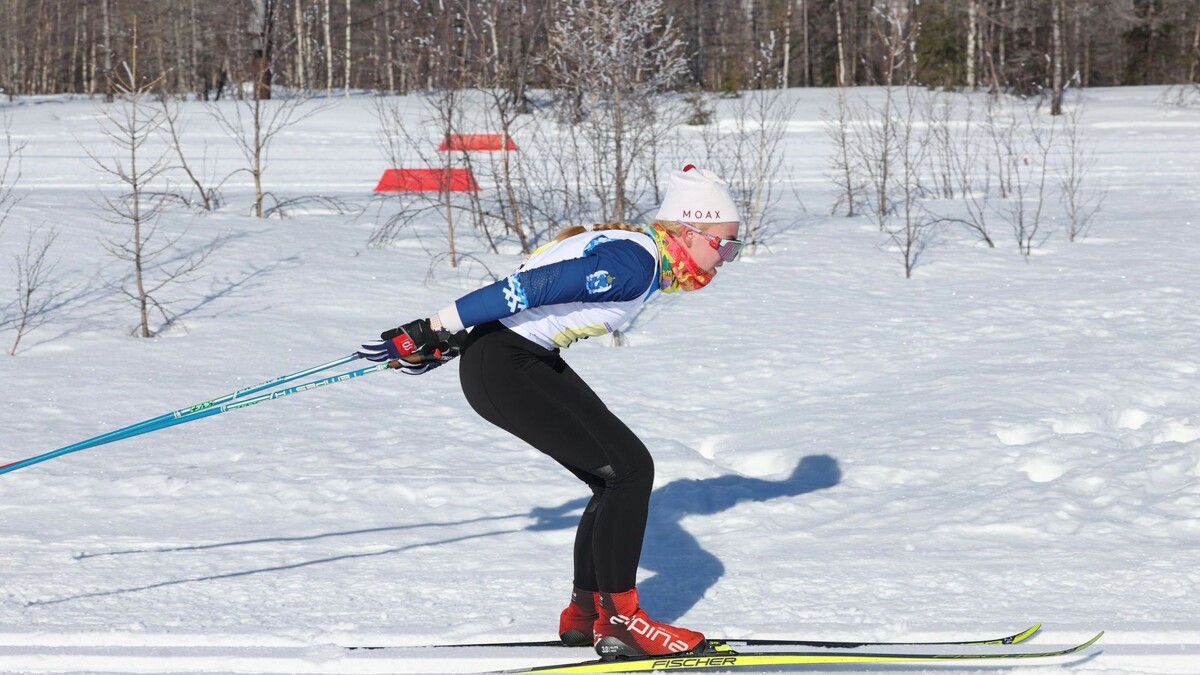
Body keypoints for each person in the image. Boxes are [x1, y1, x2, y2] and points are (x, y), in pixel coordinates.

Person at [357, 165, 744, 660]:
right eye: (724, 245)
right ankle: (623, 622)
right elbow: (529, 289)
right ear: (688, 232)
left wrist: (450, 339)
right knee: (629, 472)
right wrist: (435, 327)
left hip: (514, 358)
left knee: (616, 475)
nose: (725, 259)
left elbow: (522, 295)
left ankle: (586, 613)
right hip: (507, 367)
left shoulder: (633, 249)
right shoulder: (635, 263)